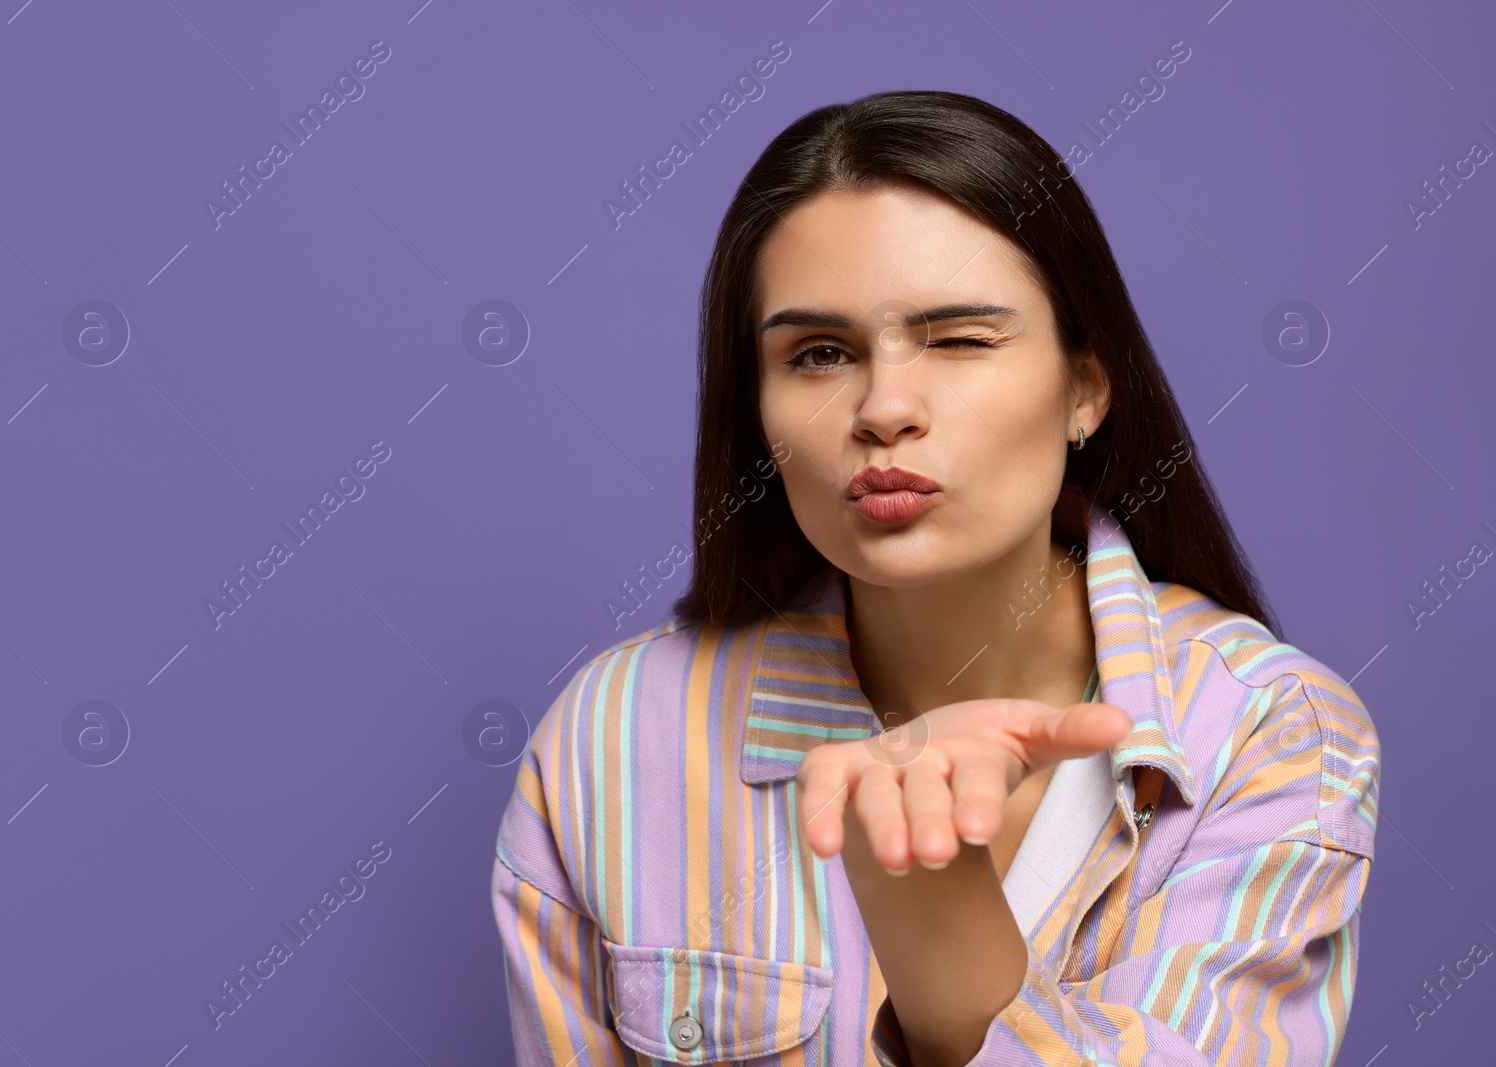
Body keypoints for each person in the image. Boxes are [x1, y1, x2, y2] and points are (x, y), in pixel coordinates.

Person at [490, 90, 1380, 1066]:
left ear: (1085, 386)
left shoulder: (1270, 729)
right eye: (819, 354)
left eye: (958, 338)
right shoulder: (613, 738)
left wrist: (936, 928)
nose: (884, 408)